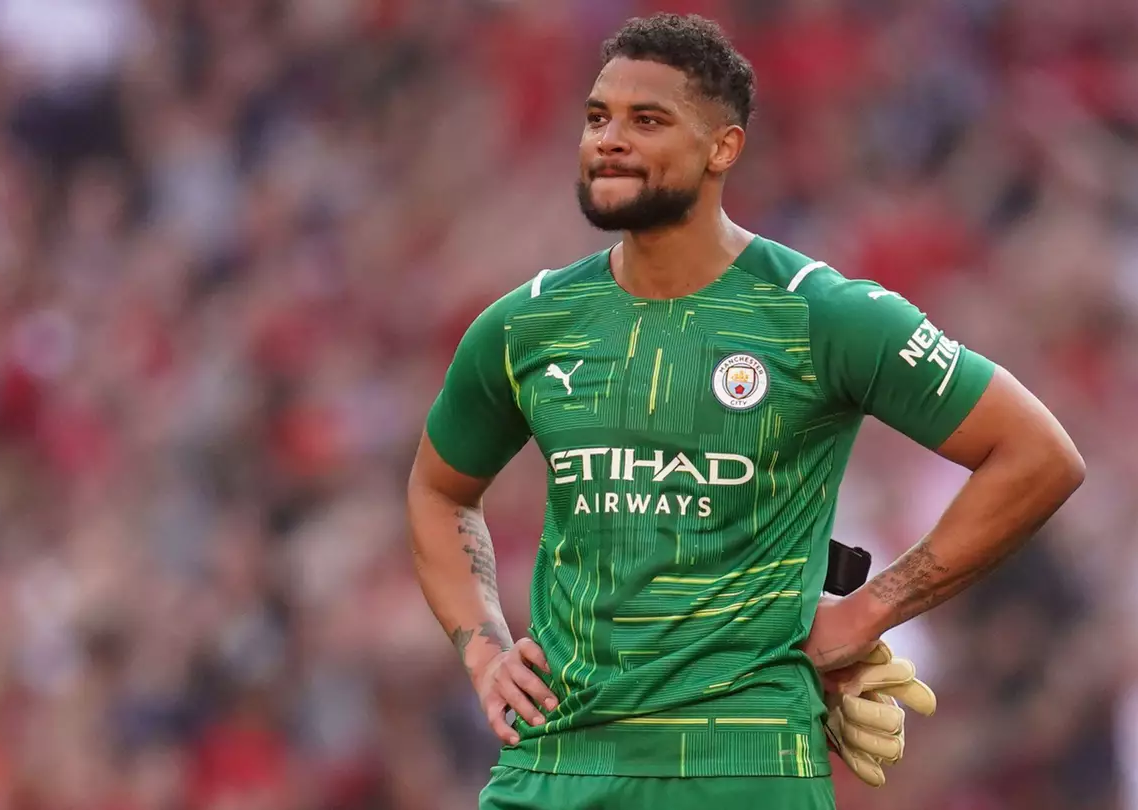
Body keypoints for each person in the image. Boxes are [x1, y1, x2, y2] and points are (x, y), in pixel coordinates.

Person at [406, 13, 1085, 809]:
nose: (609, 140)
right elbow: (439, 489)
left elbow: (1037, 453)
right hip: (556, 768)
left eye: (646, 120)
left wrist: (869, 611)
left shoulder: (821, 314)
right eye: (598, 118)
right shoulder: (528, 325)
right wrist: (484, 649)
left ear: (723, 148)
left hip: (742, 773)